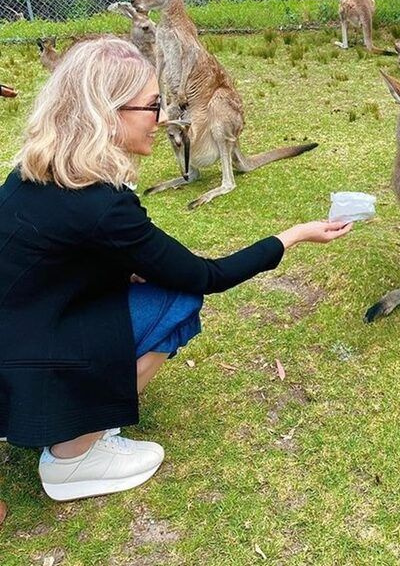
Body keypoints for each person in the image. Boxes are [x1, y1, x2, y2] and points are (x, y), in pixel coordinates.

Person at [0, 36, 351, 501]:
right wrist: (293, 235)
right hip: (26, 361)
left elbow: (51, 267)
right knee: (178, 300)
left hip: (17, 345)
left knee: (149, 288)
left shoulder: (33, 170)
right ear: (107, 113)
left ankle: (54, 414)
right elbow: (206, 276)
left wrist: (122, 272)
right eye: (152, 105)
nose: (164, 117)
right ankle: (75, 452)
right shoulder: (103, 205)